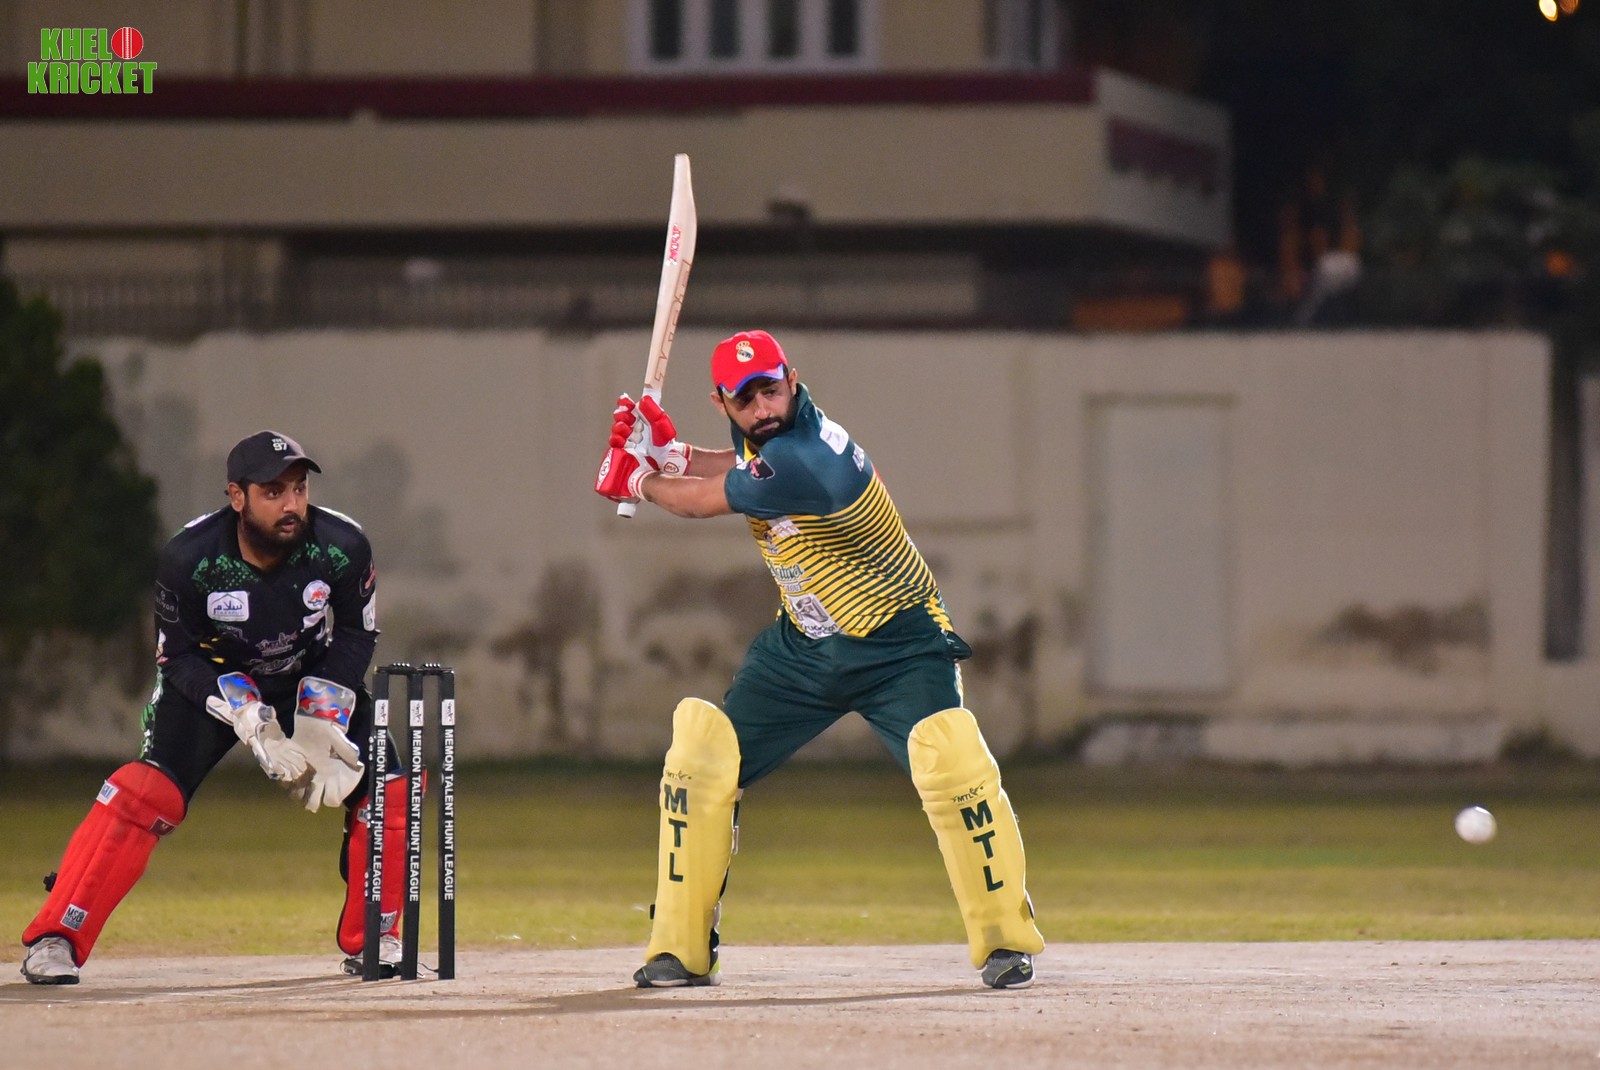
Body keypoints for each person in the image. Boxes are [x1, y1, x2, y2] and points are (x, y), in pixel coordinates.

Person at [594, 330, 1045, 990]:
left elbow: (697, 501)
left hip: (898, 646)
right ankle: (680, 950)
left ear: (792, 380)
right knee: (702, 758)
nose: (761, 408)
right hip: (802, 649)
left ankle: (1007, 941)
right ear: (722, 403)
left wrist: (638, 476)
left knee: (952, 763)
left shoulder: (807, 457)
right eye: (744, 399)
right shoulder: (772, 439)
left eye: (770, 391)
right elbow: (735, 464)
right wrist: (674, 454)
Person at [19, 430, 406, 984]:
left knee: (390, 788)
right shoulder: (191, 558)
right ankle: (57, 936)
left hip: (307, 678)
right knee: (143, 793)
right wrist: (245, 713)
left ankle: (377, 936)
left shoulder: (341, 545)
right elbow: (177, 656)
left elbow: (355, 635)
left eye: (298, 488)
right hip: (214, 683)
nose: (291, 504)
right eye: (273, 492)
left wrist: (324, 712)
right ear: (237, 496)